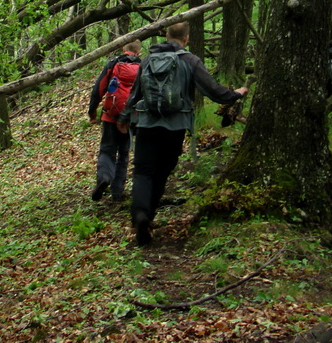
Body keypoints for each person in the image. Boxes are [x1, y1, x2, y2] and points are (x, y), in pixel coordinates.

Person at [117, 22, 248, 246]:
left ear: (166, 35)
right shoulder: (190, 60)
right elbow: (211, 89)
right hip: (175, 127)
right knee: (161, 172)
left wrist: (124, 118)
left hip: (147, 124)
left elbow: (135, 92)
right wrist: (234, 95)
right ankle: (147, 217)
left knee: (143, 171)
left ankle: (139, 214)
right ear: (186, 39)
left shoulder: (147, 59)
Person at [88, 40, 142, 201]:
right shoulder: (143, 66)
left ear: (123, 48)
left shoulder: (113, 64)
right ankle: (117, 192)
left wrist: (92, 112)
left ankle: (104, 177)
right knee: (124, 154)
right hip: (131, 117)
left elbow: (99, 88)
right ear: (139, 52)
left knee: (107, 150)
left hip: (111, 114)